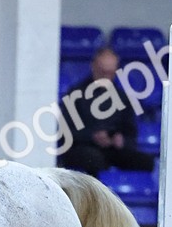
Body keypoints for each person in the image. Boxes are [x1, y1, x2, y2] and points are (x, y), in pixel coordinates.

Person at [57, 47, 155, 177]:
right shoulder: (76, 94)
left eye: (110, 73)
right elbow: (66, 132)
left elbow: (130, 131)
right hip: (83, 148)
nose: (106, 77)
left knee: (145, 161)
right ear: (93, 67)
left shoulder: (122, 97)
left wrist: (121, 140)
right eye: (102, 72)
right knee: (93, 159)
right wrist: (92, 137)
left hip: (112, 150)